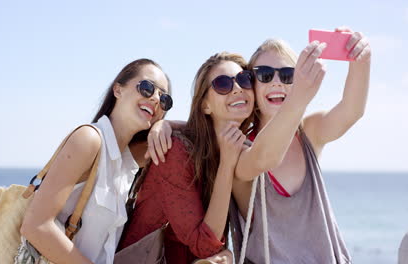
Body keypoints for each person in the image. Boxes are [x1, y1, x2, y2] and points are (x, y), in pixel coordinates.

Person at [231, 27, 371, 263]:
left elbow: (351, 110)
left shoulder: (309, 133)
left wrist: (361, 61)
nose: (276, 82)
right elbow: (264, 157)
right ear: (251, 84)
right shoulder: (240, 148)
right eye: (264, 74)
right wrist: (299, 97)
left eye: (287, 75)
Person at [20, 58, 173, 264]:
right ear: (118, 90)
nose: (155, 99)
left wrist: (163, 125)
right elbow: (36, 226)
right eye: (147, 88)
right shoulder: (89, 140)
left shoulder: (129, 161)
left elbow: (195, 135)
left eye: (164, 99)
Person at [118, 52, 255, 264]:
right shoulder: (176, 153)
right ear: (205, 105)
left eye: (245, 80)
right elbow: (205, 245)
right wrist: (227, 165)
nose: (237, 88)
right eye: (222, 83)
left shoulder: (235, 149)